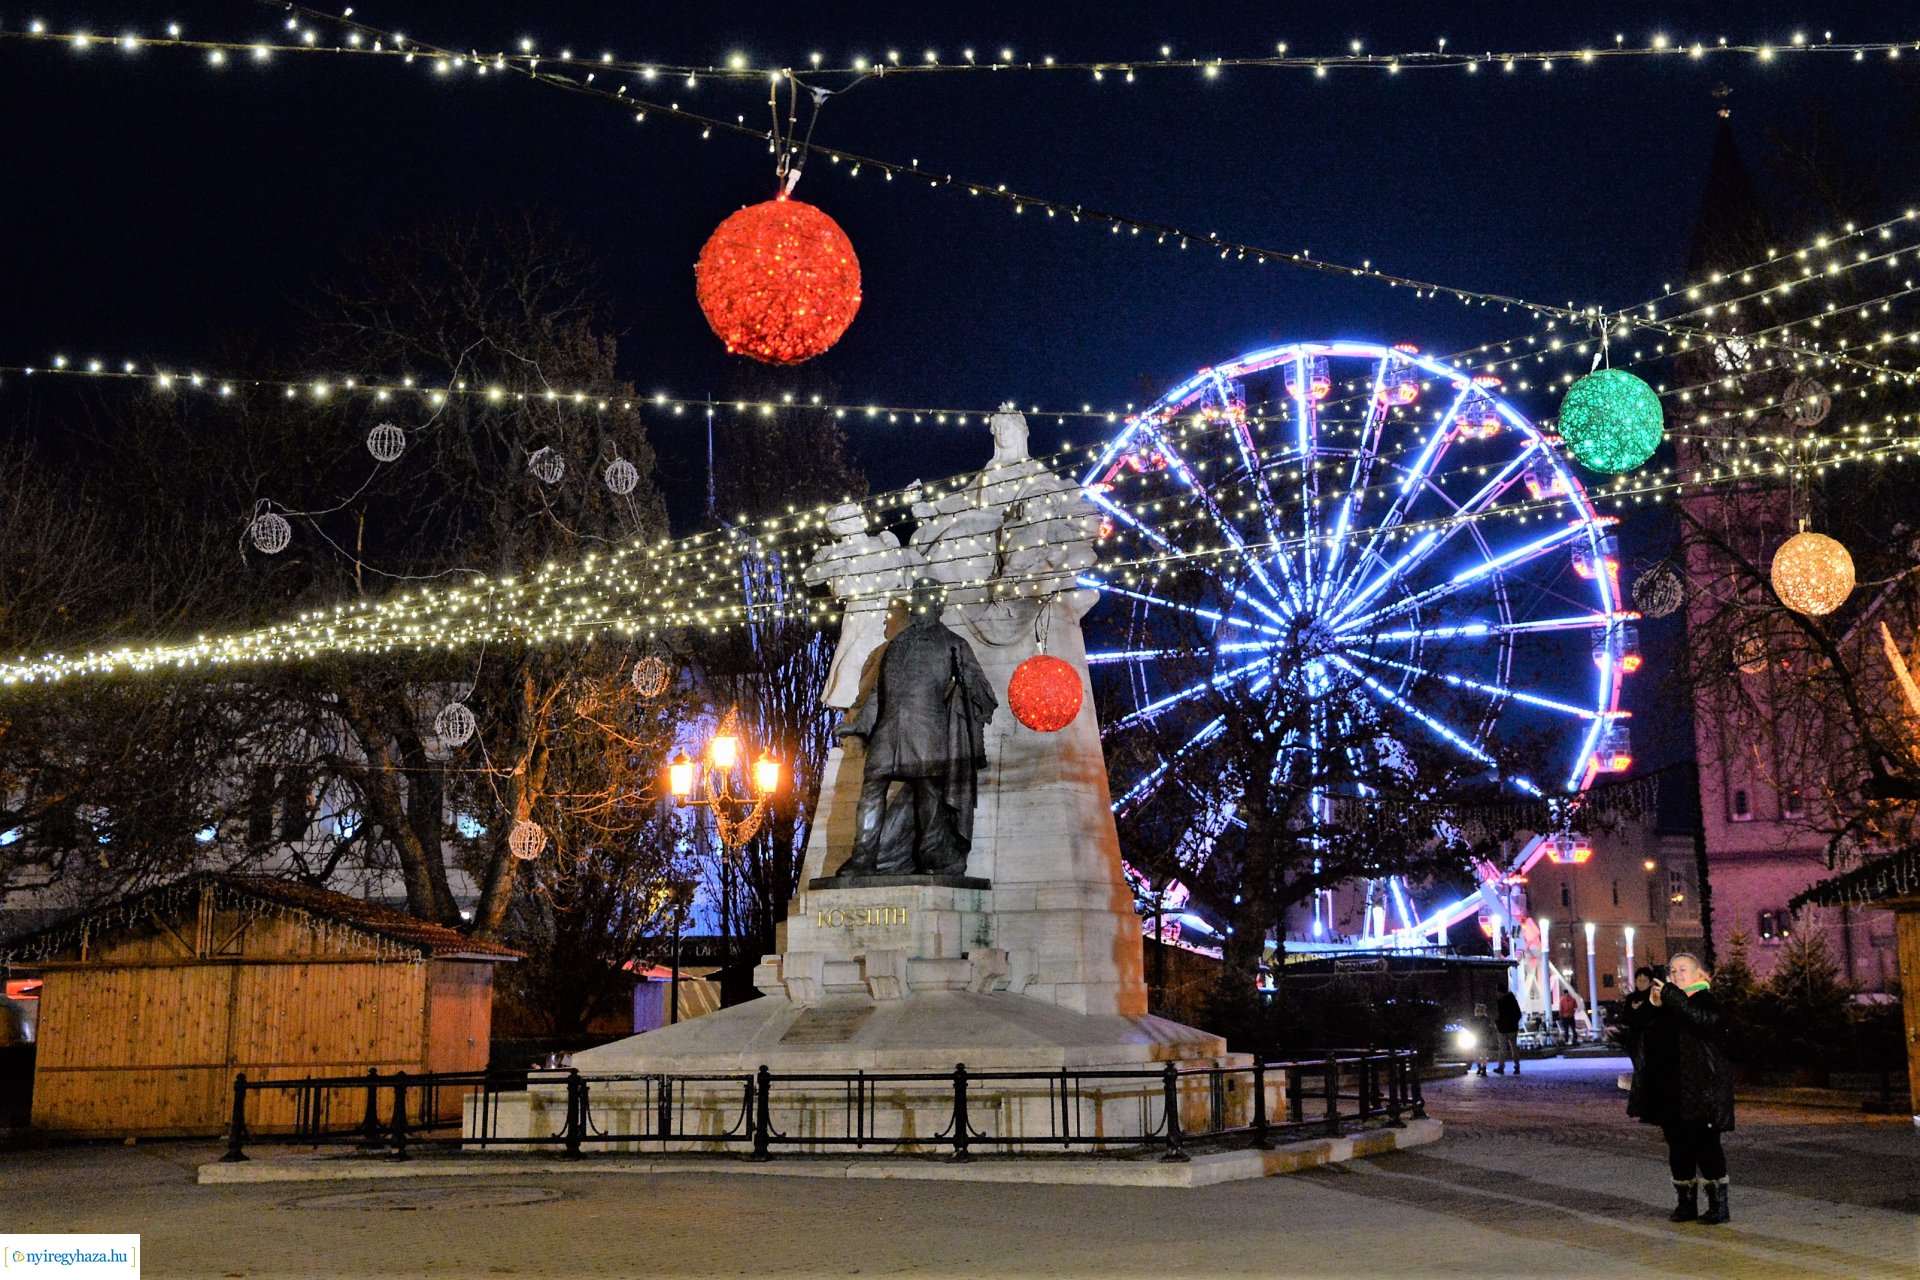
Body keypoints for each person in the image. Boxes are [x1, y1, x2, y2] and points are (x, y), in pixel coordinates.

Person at [836, 578, 999, 877]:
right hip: (888, 731)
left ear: (938, 603)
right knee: (872, 788)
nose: (915, 603)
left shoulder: (953, 643)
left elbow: (983, 694)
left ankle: (932, 859)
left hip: (928, 733)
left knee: (930, 796)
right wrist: (859, 724)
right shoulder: (896, 644)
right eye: (915, 597)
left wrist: (968, 687)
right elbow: (878, 693)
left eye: (922, 597)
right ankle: (862, 860)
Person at [1627, 952, 1735, 1225]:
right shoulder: (1665, 1004)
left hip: (1701, 1091)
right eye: (1672, 971)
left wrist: (1672, 996)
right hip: (1670, 1090)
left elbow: (1701, 1020)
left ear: (1698, 974)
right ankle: (1685, 1203)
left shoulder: (1704, 999)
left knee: (1706, 1147)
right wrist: (1652, 1005)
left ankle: (1717, 1205)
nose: (1675, 975)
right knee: (1679, 1149)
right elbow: (1638, 1030)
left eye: (1683, 969)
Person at [1492, 989, 1522, 1074]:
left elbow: (1498, 1015)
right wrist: (1514, 1023)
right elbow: (1518, 1014)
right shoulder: (1513, 1001)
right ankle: (1517, 1066)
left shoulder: (1500, 1002)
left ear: (1500, 992)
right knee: (1514, 1047)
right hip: (1512, 1028)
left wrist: (1497, 1023)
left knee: (1502, 1048)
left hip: (1502, 1029)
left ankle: (1501, 1067)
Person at [1467, 1004, 1495, 1076]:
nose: (1478, 1012)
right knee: (1477, 1054)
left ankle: (1483, 1069)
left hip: (1482, 1038)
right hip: (1479, 1038)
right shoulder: (1475, 1020)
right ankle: (1480, 1067)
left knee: (1482, 1055)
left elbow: (1490, 1029)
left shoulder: (1485, 1019)